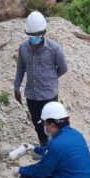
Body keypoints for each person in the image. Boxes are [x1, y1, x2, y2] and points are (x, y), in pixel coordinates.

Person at [12, 101, 90, 178]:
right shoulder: (75, 134)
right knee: (53, 170)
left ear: (52, 124)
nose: (45, 127)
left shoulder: (57, 144)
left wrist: (20, 170)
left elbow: (39, 172)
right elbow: (51, 150)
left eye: (45, 124)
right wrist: (34, 148)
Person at [14, 11, 68, 146]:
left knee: (53, 124)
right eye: (31, 36)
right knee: (37, 122)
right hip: (32, 95)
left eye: (37, 36)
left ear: (44, 32)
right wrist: (16, 87)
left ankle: (55, 148)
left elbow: (63, 68)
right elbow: (20, 68)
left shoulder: (54, 48)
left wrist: (51, 79)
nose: (34, 38)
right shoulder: (23, 49)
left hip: (49, 94)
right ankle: (44, 145)